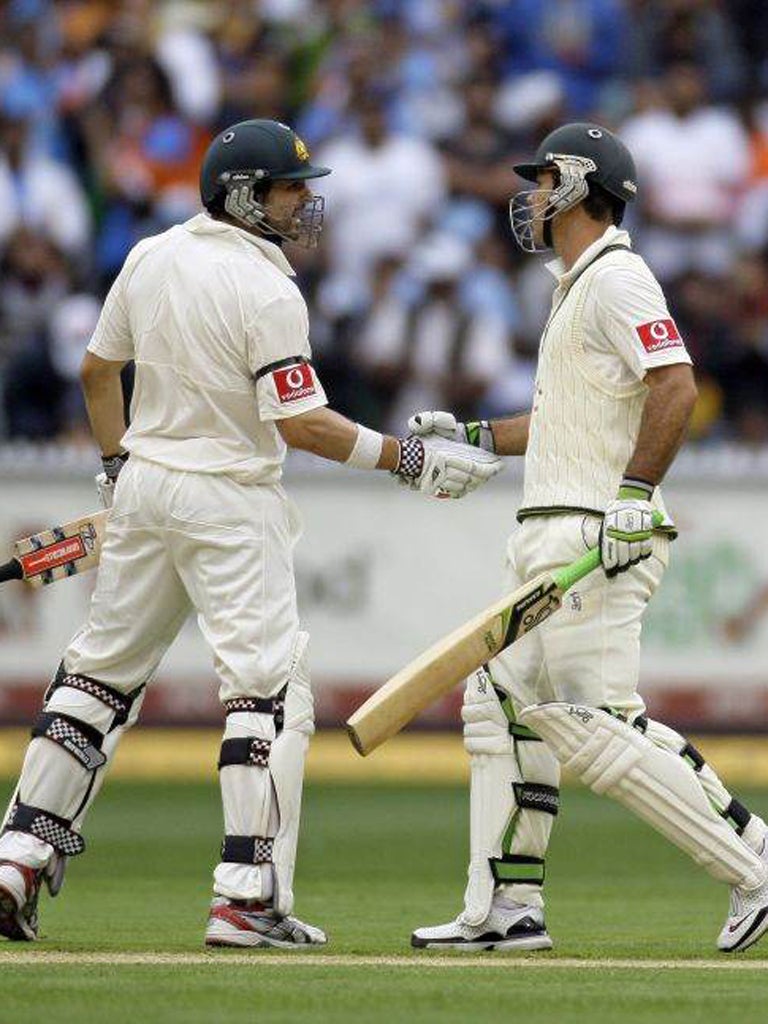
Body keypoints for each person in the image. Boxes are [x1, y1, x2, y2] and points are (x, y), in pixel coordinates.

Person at [0, 118, 501, 948]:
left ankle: (15, 859)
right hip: (230, 498)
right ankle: (245, 896)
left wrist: (119, 465)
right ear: (244, 195)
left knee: (96, 678)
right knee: (261, 691)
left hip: (148, 488)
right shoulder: (267, 290)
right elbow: (301, 423)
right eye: (289, 188)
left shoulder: (149, 254)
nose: (305, 203)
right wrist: (405, 457)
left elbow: (97, 371)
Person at [408, 122, 768, 954]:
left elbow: (675, 384)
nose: (529, 197)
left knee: (598, 723)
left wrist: (636, 496)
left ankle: (753, 861)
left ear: (576, 184)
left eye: (541, 181)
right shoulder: (574, 286)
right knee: (501, 709)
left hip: (593, 534)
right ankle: (506, 907)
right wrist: (469, 435)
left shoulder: (618, 276)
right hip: (549, 529)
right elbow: (556, 422)